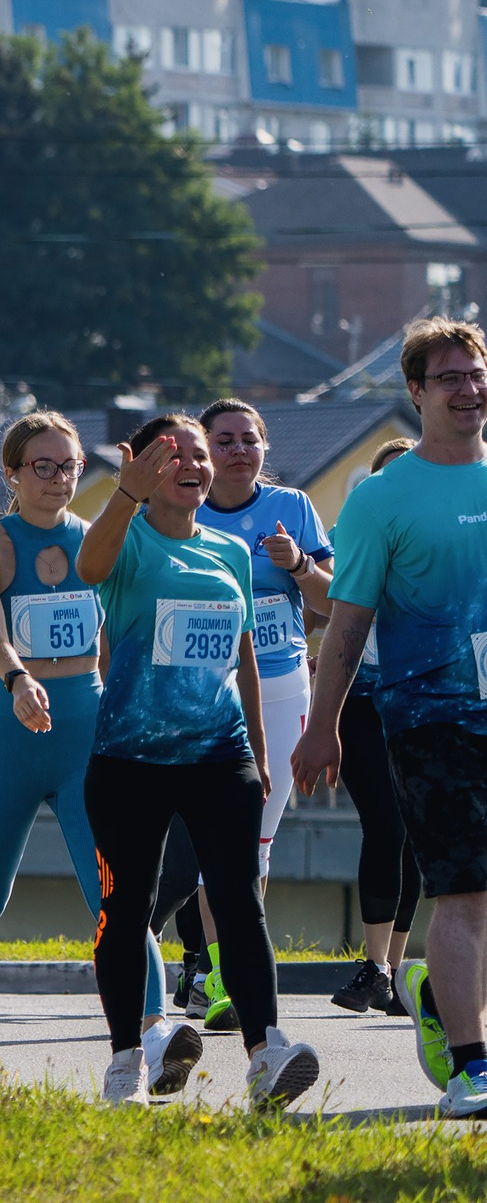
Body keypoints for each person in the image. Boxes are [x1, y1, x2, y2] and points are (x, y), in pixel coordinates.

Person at [77, 413, 317, 1107]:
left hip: (221, 754)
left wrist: (262, 755)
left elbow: (243, 652)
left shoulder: (229, 551)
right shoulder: (126, 537)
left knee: (240, 900)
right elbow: (90, 567)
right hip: (131, 758)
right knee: (128, 906)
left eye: (198, 454)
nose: (192, 463)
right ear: (145, 467)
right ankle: (126, 1057)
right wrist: (123, 495)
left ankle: (266, 1052)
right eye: (171, 454)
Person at [0, 414, 173, 1081]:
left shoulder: (99, 538)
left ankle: (153, 1030)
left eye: (68, 465)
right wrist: (16, 679)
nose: (58, 478)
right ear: (12, 472)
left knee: (116, 896)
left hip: (87, 736)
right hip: (12, 734)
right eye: (42, 465)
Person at [294, 318, 487, 1117]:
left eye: (476, 373)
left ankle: (443, 1002)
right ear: (415, 391)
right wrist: (321, 723)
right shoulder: (383, 496)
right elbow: (348, 623)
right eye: (450, 378)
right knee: (465, 892)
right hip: (431, 719)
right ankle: (473, 1067)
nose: (470, 390)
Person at [176, 398, 333, 1030]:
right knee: (216, 838)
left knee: (254, 842)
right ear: (205, 450)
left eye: (250, 440)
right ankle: (219, 977)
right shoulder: (184, 511)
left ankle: (233, 974)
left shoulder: (291, 508)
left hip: (281, 687)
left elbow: (334, 599)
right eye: (226, 440)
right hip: (205, 692)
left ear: (265, 448)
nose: (239, 450)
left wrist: (295, 564)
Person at [330, 435, 422, 1016]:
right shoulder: (355, 538)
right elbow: (327, 609)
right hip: (363, 702)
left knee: (411, 835)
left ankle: (391, 969)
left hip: (425, 702)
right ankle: (375, 965)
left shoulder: (441, 542)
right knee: (384, 826)